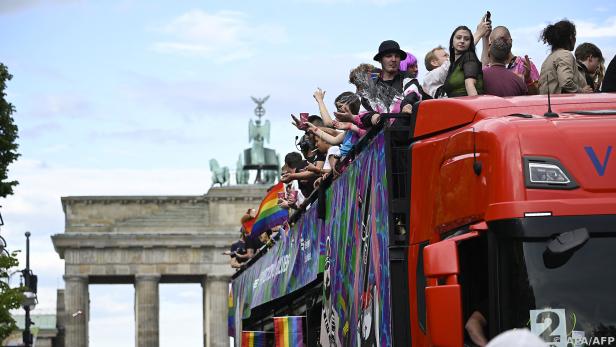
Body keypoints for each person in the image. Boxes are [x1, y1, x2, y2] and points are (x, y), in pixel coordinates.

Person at [483, 25, 540, 95]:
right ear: (490, 45)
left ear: (510, 41)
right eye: (495, 42)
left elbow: (537, 97)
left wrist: (528, 79)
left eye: (503, 40)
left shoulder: (525, 65)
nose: (500, 44)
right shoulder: (486, 70)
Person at [538, 19, 591, 94]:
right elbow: (565, 82)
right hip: (562, 104)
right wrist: (582, 91)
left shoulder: (549, 59)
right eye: (574, 36)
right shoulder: (565, 54)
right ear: (571, 37)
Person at [443, 26, 484, 97]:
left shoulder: (469, 56)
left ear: (470, 43)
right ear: (452, 41)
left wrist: (475, 107)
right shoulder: (453, 64)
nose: (462, 41)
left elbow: (470, 84)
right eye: (458, 38)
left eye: (466, 39)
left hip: (467, 105)